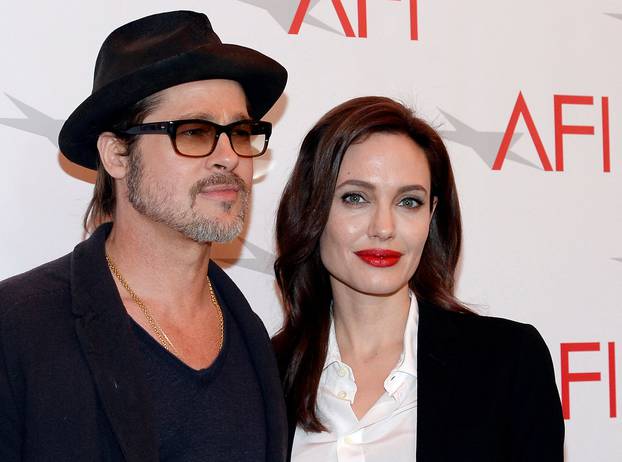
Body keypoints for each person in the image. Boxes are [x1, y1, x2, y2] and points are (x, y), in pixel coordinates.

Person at [0, 10, 288, 462]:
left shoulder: (255, 339)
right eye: (194, 132)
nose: (228, 157)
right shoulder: (17, 329)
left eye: (241, 132)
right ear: (116, 155)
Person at [273, 96, 564, 461]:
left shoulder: (507, 363)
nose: (383, 228)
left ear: (432, 216)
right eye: (355, 198)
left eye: (408, 202)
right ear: (311, 209)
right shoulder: (263, 375)